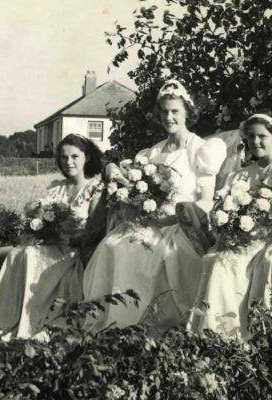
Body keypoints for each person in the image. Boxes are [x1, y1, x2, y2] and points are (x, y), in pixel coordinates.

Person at [82, 80, 227, 331]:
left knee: (148, 251)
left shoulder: (200, 149)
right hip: (149, 220)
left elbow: (206, 199)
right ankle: (116, 322)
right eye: (164, 112)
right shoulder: (152, 152)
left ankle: (151, 324)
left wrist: (176, 218)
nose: (169, 117)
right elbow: (135, 192)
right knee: (113, 244)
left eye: (175, 111)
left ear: (187, 113)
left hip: (181, 222)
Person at [0, 134, 104, 340]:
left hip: (73, 251)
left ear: (86, 157)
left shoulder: (95, 188)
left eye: (74, 156)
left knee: (30, 255)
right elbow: (42, 216)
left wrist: (67, 239)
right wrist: (41, 228)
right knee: (20, 253)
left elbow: (95, 230)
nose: (69, 162)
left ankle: (31, 322)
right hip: (50, 246)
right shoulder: (56, 187)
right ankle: (12, 317)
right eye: (64, 157)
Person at [188, 113, 272, 340]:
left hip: (270, 236)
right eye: (251, 137)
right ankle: (209, 331)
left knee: (223, 263)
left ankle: (232, 334)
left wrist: (263, 232)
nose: (256, 142)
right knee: (212, 257)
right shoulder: (242, 173)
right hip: (242, 235)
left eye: (262, 136)